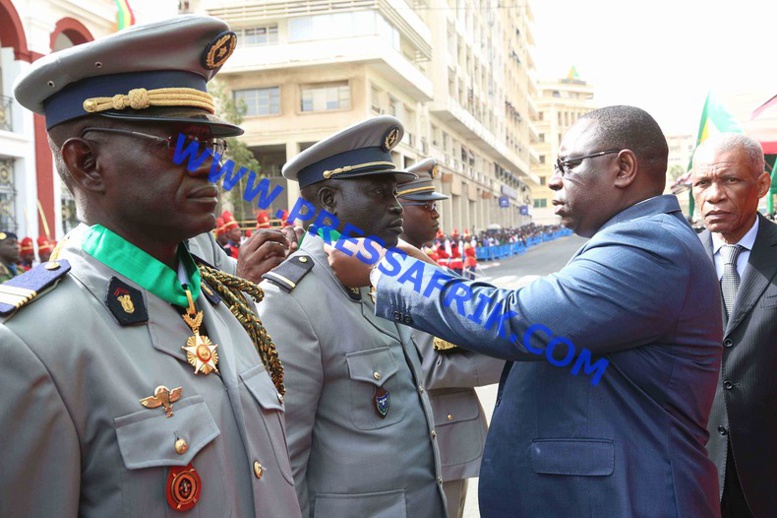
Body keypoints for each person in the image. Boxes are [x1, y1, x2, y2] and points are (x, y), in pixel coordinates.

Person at [328, 105, 723, 517]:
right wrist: (430, 272)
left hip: (631, 499)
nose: (554, 181)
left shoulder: (650, 247)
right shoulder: (639, 239)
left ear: (623, 168)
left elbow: (518, 318)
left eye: (567, 165)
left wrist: (383, 271)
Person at [0, 16, 302, 517]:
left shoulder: (220, 303)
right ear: (86, 163)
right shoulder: (32, 345)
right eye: (178, 145)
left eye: (210, 146)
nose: (208, 165)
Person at [257, 116, 447, 518]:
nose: (396, 205)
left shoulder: (384, 271)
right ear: (329, 201)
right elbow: (284, 462)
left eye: (395, 193)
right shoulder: (292, 301)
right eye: (380, 193)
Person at [397, 158, 503, 518]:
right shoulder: (399, 271)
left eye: (435, 204)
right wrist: (514, 358)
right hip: (429, 442)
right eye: (424, 205)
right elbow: (428, 367)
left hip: (447, 436)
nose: (434, 212)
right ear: (397, 209)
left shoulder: (419, 263)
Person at [692, 133, 777, 518]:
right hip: (695, 469)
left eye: (729, 180)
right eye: (702, 183)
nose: (713, 195)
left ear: (762, 184)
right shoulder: (674, 261)